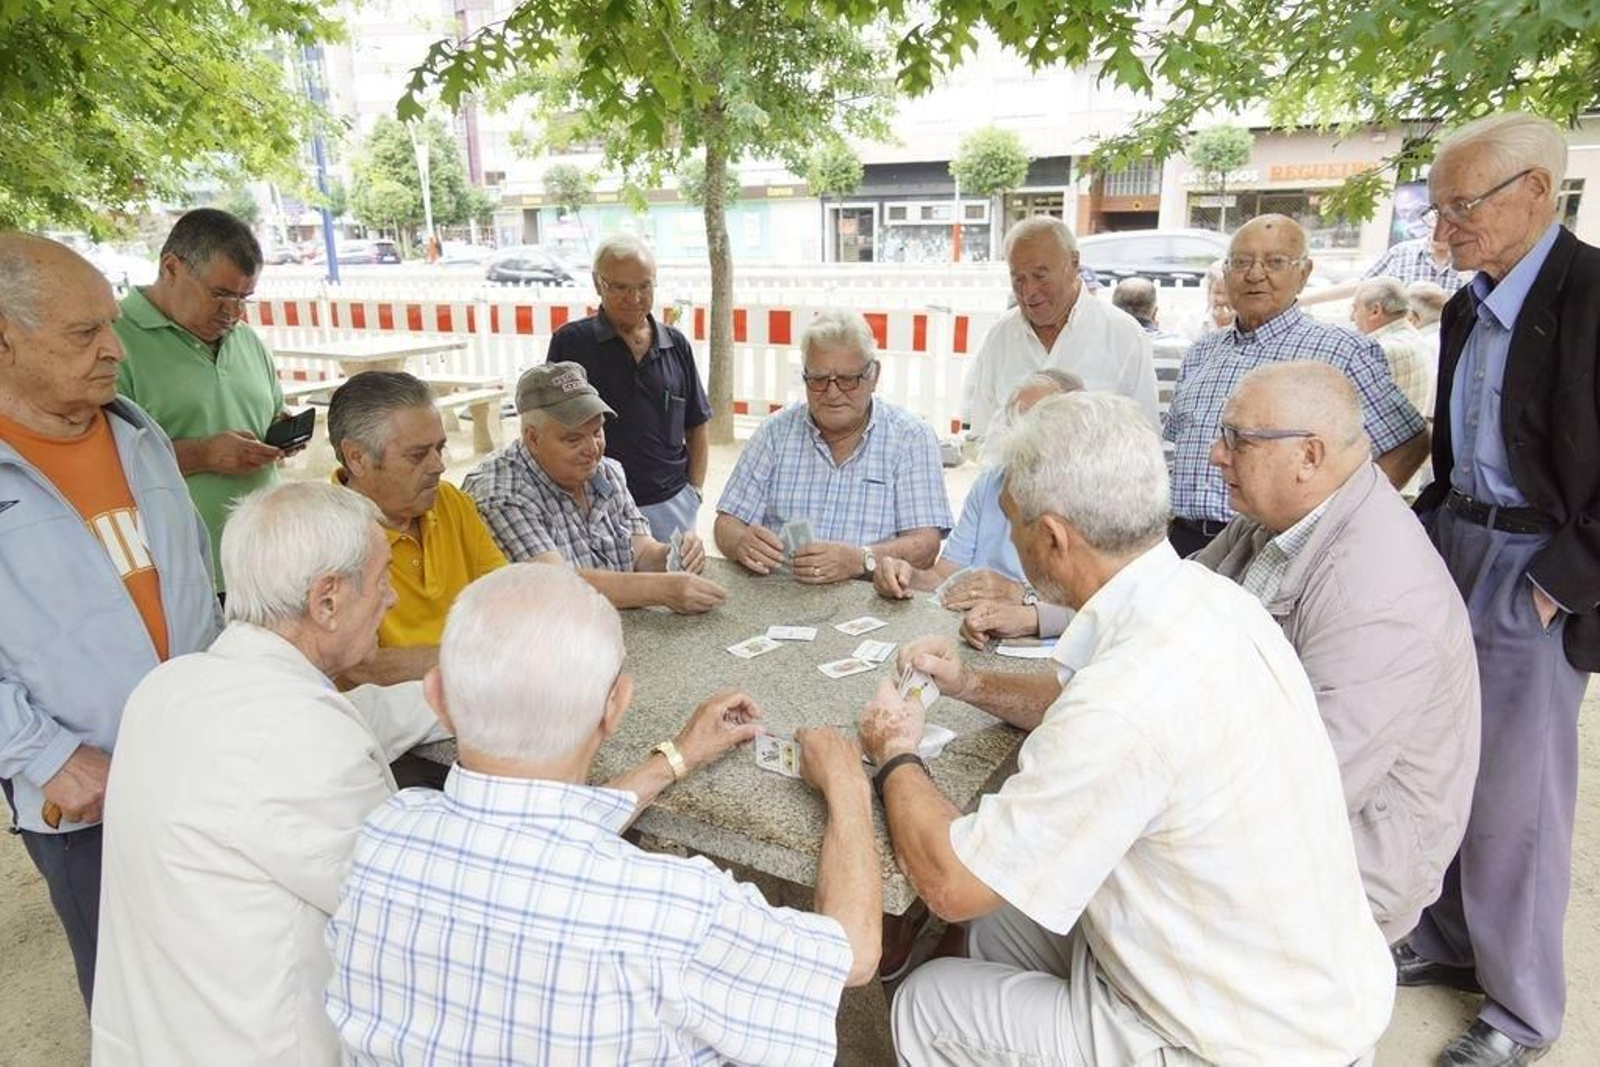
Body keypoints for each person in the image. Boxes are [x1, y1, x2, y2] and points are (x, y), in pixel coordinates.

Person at [814, 391, 1393, 1062]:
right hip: (1296, 982)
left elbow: (950, 883)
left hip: (1242, 1042)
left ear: (1053, 537)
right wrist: (969, 683)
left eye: (1014, 524)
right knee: (1001, 924)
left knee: (929, 998)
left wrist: (893, 755)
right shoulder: (1207, 598)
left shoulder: (1125, 701)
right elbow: (1077, 698)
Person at [326, 563, 881, 1064]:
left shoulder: (383, 838)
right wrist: (846, 781)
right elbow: (851, 956)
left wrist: (676, 756)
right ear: (615, 705)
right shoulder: (672, 906)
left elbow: (534, 837)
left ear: (437, 697)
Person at [91, 482, 447, 1062]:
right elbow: (404, 906)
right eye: (381, 580)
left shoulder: (172, 686)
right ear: (325, 599)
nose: (390, 600)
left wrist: (451, 696)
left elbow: (335, 720)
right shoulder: (301, 738)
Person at [1396, 111, 1600, 1067]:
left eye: (1461, 208)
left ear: (1535, 191)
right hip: (1459, 543)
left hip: (1538, 568)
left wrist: (1563, 585)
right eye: (1437, 212)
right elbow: (1453, 448)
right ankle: (1442, 943)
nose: (1445, 232)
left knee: (1518, 794)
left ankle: (1520, 1012)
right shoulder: (1463, 307)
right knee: (1439, 761)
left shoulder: (1595, 292)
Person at [0, 233, 221, 1008]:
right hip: (88, 793)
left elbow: (191, 572)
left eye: (109, 324)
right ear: (4, 338)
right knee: (135, 997)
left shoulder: (137, 432)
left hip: (199, 762)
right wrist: (47, 753)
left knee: (218, 968)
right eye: (83, 333)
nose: (114, 350)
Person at [1195, 362, 1480, 942]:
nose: (1215, 456)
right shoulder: (1282, 518)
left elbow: (1308, 788)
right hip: (1269, 806)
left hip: (1347, 864)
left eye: (1237, 440)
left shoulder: (1375, 595)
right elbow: (1170, 602)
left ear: (1309, 456)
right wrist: (1040, 610)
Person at [1163, 214, 1429, 557]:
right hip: (1186, 541)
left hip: (1279, 546)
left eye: (1274, 262)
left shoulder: (1342, 351)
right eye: (1242, 262)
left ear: (1303, 274)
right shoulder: (1202, 351)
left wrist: (1337, 522)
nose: (1255, 274)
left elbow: (1408, 443)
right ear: (1226, 272)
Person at [112, 207, 292, 594]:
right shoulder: (112, 341)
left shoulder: (245, 339)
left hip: (268, 561)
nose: (234, 312)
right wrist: (202, 455)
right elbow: (105, 462)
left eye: (245, 297)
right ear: (171, 268)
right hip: (183, 573)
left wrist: (280, 431)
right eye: (220, 294)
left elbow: (268, 409)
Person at [464, 362, 725, 614]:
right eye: (573, 438)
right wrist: (663, 589)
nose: (592, 449)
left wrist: (675, 555)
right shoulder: (502, 495)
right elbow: (556, 585)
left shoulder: (606, 471)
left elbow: (642, 551)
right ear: (532, 438)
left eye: (597, 431)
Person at [715, 309, 951, 584]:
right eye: (818, 379)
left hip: (871, 601)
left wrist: (860, 559)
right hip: (781, 595)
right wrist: (741, 541)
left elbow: (925, 546)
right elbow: (726, 524)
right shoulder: (774, 432)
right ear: (804, 375)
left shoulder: (911, 438)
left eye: (848, 379)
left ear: (873, 375)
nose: (832, 392)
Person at [327, 371, 506, 686]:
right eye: (418, 454)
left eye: (440, 447)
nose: (438, 465)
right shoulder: (321, 535)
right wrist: (475, 656)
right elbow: (356, 666)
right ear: (357, 457)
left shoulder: (451, 501)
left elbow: (506, 599)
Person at [548, 233, 711, 541]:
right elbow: (550, 428)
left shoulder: (675, 345)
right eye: (620, 287)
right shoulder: (571, 343)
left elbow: (697, 425)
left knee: (673, 586)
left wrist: (695, 493)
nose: (634, 298)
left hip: (672, 504)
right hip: (598, 507)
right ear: (598, 284)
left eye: (643, 286)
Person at [873, 369, 1080, 607]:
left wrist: (1023, 598)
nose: (1017, 430)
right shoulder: (991, 482)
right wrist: (905, 575)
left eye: (1035, 420)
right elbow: (944, 575)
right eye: (1013, 418)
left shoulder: (1090, 495)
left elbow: (1095, 602)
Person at [962, 217, 1158, 439]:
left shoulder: (1124, 335)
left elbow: (1146, 437)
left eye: (1040, 276)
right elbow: (982, 433)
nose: (1029, 291)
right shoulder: (1000, 335)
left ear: (1073, 264)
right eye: (1018, 279)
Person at [1350, 274, 1435, 415]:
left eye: (1355, 309)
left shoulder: (1378, 351)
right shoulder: (1417, 338)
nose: (1352, 317)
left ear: (1375, 311)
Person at [1301, 235, 1469, 307]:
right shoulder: (1402, 254)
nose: (1439, 230)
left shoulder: (1471, 262)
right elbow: (1362, 285)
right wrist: (1301, 301)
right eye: (1434, 220)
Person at [1177, 260, 1235, 341]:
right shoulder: (1191, 322)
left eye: (1228, 293)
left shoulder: (1249, 324)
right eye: (1217, 292)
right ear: (1208, 292)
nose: (1221, 300)